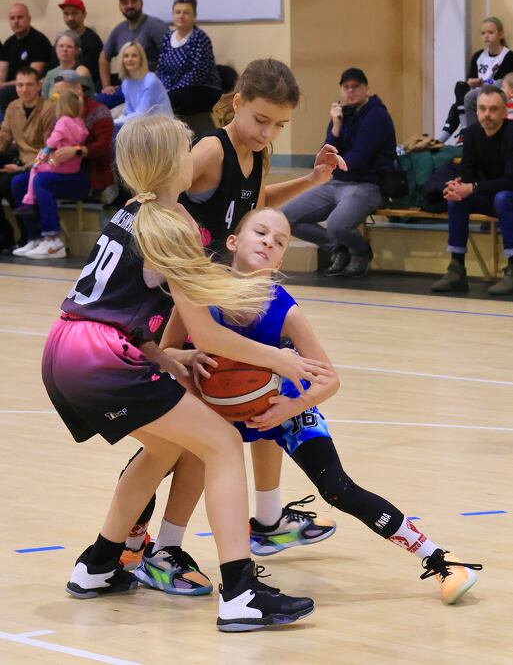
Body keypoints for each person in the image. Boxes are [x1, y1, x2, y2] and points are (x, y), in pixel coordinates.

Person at [42, 114, 330, 631]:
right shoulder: (173, 224)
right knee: (222, 443)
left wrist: (161, 355)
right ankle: (241, 592)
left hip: (64, 348)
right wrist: (278, 359)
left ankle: (98, 564)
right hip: (101, 356)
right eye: (186, 147)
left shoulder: (134, 210)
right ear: (171, 163)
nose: (193, 153)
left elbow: (112, 298)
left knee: (165, 448)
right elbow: (210, 335)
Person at [133, 207, 482, 607]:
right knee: (169, 457)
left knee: (338, 488)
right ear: (233, 242)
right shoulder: (199, 293)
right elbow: (166, 352)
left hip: (283, 403)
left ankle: (439, 558)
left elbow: (329, 379)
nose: (268, 242)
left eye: (279, 241)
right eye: (260, 232)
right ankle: (148, 547)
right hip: (219, 408)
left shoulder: (285, 310)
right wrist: (190, 355)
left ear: (281, 261)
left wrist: (290, 407)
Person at [179, 58, 345, 257]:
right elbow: (154, 196)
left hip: (224, 272)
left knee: (273, 281)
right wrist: (185, 225)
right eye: (260, 120)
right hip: (187, 272)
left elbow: (257, 202)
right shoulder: (213, 149)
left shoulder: (256, 153)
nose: (268, 133)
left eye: (279, 125)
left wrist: (313, 179)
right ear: (238, 103)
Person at [282, 67, 396, 278]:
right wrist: (335, 126)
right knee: (286, 217)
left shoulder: (377, 116)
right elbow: (325, 153)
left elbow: (358, 159)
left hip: (367, 185)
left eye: (355, 86)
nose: (350, 91)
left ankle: (360, 251)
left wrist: (331, 163)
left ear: (366, 88)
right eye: (346, 87)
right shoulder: (343, 115)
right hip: (337, 183)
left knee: (337, 224)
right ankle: (338, 248)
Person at [12, 69, 113, 259]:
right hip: (61, 170)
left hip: (89, 175)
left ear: (78, 89)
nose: (57, 98)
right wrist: (50, 156)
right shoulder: (59, 113)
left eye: (61, 93)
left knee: (42, 181)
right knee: (18, 182)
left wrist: (77, 150)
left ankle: (53, 240)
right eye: (55, 94)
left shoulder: (99, 111)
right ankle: (35, 238)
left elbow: (104, 146)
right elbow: (52, 142)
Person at [431, 86, 513, 296]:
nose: (487, 114)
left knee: (503, 197)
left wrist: (473, 187)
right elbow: (468, 173)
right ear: (476, 111)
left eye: (493, 109)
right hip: (487, 195)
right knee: (456, 199)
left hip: (507, 196)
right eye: (482, 109)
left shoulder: (511, 133)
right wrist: (458, 187)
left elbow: (510, 180)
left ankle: (512, 268)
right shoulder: (472, 133)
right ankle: (457, 269)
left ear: (505, 111)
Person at [0, 67, 54, 254]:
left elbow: (49, 149)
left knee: (11, 183)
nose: (24, 89)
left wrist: (22, 168)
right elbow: (4, 137)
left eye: (29, 85)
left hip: (40, 164)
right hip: (20, 161)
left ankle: (30, 235)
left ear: (38, 86)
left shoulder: (48, 109)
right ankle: (5, 237)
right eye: (20, 85)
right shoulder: (13, 107)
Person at [438, 16, 513, 143]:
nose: (486, 36)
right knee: (460, 89)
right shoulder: (478, 56)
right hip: (477, 92)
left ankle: (468, 135)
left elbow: (503, 82)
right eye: (483, 33)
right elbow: (470, 78)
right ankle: (441, 139)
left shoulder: (509, 56)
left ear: (500, 34)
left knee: (466, 100)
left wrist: (482, 82)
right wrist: (471, 82)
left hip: (494, 92)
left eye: (490, 32)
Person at [15, 89, 88, 214]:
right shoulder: (79, 122)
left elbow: (52, 141)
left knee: (36, 169)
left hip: (60, 164)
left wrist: (45, 151)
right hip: (74, 166)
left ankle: (29, 200)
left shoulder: (63, 121)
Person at [97, 0, 168, 109]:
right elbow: (104, 56)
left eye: (133, 1)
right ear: (120, 7)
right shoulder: (119, 30)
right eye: (125, 2)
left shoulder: (155, 26)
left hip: (148, 87)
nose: (129, 5)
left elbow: (170, 55)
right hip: (127, 87)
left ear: (141, 3)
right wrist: (106, 85)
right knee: (96, 101)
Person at [156, 0, 222, 115]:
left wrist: (171, 90)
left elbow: (197, 73)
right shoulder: (167, 37)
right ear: (173, 14)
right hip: (173, 90)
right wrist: (164, 88)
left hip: (201, 88)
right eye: (178, 12)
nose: (181, 16)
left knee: (170, 99)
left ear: (194, 16)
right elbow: (161, 69)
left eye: (186, 12)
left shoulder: (200, 38)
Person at [0, 3, 53, 114]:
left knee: (4, 92)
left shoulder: (39, 41)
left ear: (29, 19)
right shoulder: (9, 43)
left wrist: (3, 85)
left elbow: (32, 77)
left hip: (29, 87)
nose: (16, 21)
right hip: (9, 86)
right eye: (12, 18)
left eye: (20, 17)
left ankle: (10, 123)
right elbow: (1, 74)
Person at [113, 42, 172, 130]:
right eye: (126, 56)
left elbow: (141, 114)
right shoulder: (126, 82)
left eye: (134, 56)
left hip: (161, 127)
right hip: (141, 124)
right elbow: (129, 110)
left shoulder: (151, 81)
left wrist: (114, 122)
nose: (130, 59)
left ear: (141, 59)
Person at [57, 0, 103, 91]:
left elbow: (90, 75)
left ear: (84, 14)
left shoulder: (92, 40)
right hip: (60, 84)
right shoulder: (62, 39)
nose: (70, 18)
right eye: (66, 14)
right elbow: (53, 66)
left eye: (74, 13)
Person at [41, 30, 93, 100]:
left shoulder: (81, 71)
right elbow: (45, 101)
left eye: (69, 47)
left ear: (76, 50)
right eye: (61, 46)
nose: (64, 49)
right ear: (55, 48)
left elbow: (79, 100)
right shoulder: (50, 74)